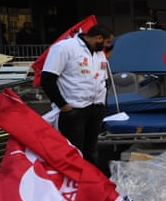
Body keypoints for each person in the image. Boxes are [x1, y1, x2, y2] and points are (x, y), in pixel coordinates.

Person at [40, 24, 114, 168]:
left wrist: (102, 104)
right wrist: (64, 106)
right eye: (107, 42)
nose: (107, 46)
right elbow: (47, 79)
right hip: (74, 109)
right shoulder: (65, 48)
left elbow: (103, 80)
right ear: (98, 38)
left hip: (95, 108)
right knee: (74, 151)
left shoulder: (99, 54)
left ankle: (91, 183)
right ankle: (73, 185)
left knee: (91, 150)